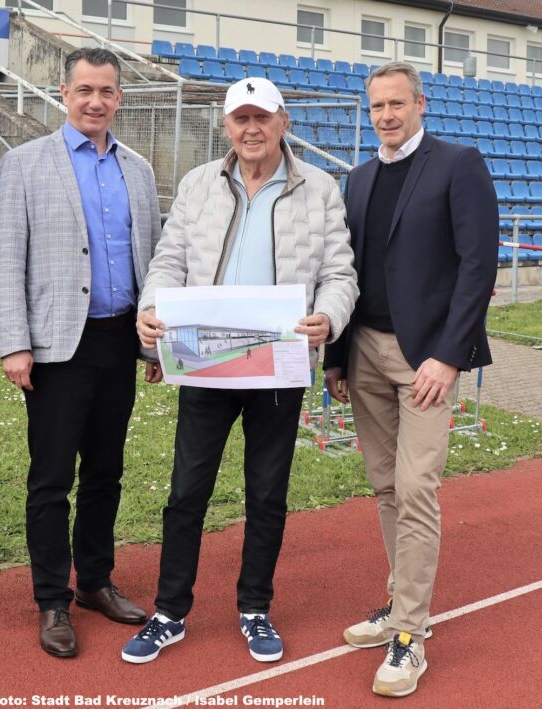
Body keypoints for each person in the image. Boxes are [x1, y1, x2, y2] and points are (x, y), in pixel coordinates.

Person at [121, 77, 358, 665]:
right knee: (185, 494)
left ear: (283, 121)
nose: (251, 129)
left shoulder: (320, 188)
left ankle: (255, 608)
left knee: (266, 494)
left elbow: (340, 272)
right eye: (240, 119)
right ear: (226, 126)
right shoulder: (201, 183)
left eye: (262, 118)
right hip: (206, 364)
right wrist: (151, 308)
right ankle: (170, 612)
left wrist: (328, 316)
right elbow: (168, 259)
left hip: (278, 366)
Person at [323, 61, 498, 697]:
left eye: (398, 104)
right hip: (365, 350)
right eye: (377, 107)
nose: (388, 116)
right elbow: (345, 271)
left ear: (420, 104)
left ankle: (410, 636)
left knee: (417, 486)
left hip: (427, 358)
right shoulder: (361, 178)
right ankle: (400, 604)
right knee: (384, 486)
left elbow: (479, 266)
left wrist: (450, 356)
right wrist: (337, 358)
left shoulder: (459, 164)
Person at [0, 47, 162, 658]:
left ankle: (93, 581)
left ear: (120, 97)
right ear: (64, 92)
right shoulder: (25, 163)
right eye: (85, 89)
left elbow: (157, 260)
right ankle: (51, 600)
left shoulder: (137, 170)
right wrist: (14, 343)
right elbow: (8, 260)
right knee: (51, 478)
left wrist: (155, 342)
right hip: (58, 346)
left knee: (107, 472)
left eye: (107, 91)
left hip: (120, 341)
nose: (96, 101)